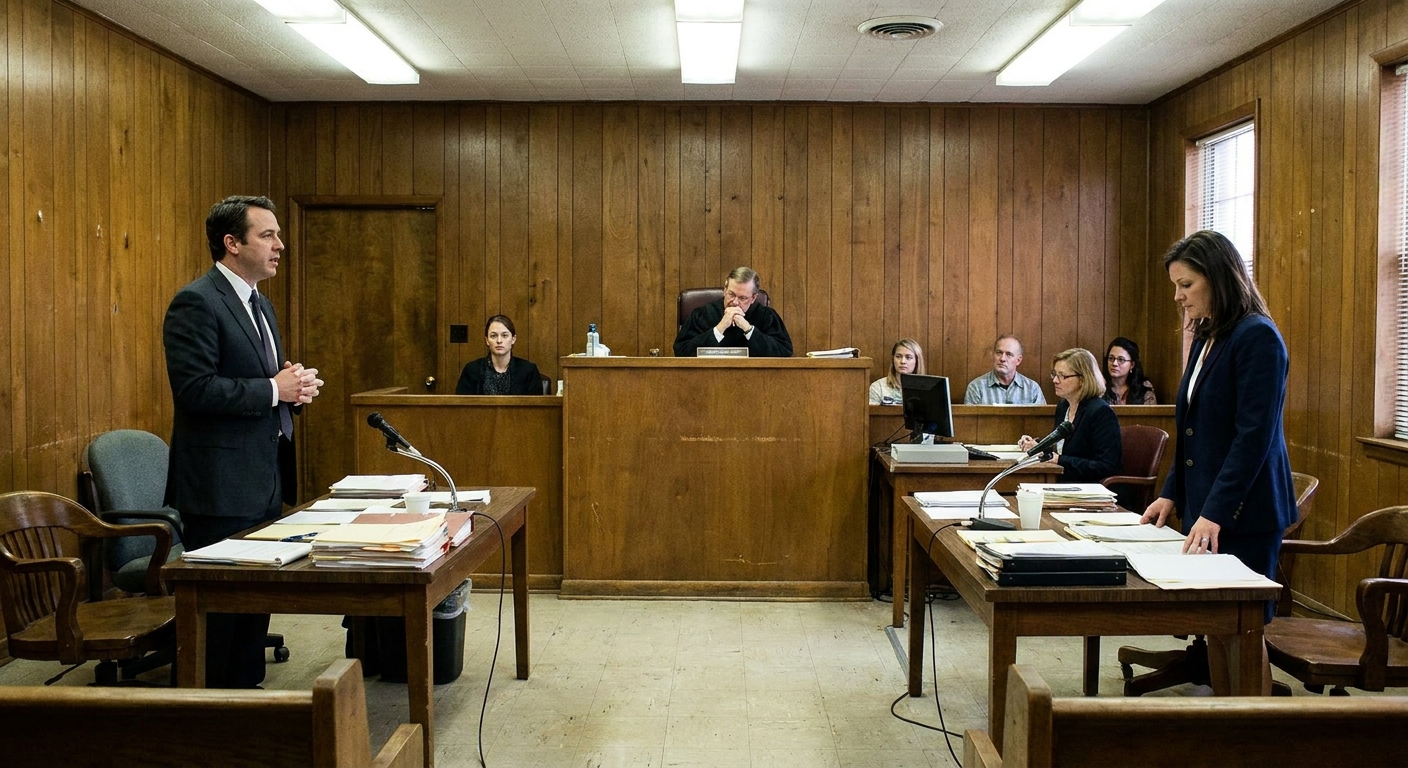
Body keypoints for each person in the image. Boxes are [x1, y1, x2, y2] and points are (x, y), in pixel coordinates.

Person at [164, 195, 322, 688]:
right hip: (219, 485)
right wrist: (276, 388)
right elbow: (194, 389)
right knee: (222, 612)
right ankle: (205, 717)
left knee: (254, 603)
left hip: (262, 477)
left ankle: (246, 697)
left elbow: (260, 381)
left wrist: (292, 391)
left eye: (277, 235)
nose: (280, 245)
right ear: (232, 244)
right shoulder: (197, 301)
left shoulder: (261, 304)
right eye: (267, 235)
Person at [1142, 230, 1295, 692]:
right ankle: (1225, 723)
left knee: (1243, 630)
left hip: (1243, 513)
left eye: (1186, 284)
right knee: (1215, 624)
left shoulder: (1258, 337)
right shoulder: (1209, 334)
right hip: (1209, 509)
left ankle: (1255, 736)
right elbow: (1192, 431)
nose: (1178, 296)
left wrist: (1214, 512)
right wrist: (1172, 493)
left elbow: (1253, 437)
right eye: (1176, 285)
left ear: (1220, 278)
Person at [1017, 348, 1121, 483]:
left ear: (1082, 379)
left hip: (1090, 489)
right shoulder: (1064, 406)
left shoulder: (1100, 412)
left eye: (1062, 376)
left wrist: (1059, 460)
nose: (1055, 380)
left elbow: (1107, 466)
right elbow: (1061, 447)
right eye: (1054, 374)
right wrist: (1036, 445)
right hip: (1064, 482)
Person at [673, 266, 793, 357]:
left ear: (753, 298)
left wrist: (748, 329)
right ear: (724, 290)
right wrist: (719, 329)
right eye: (731, 294)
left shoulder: (766, 316)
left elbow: (785, 352)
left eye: (742, 298)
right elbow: (681, 352)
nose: (735, 302)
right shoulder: (703, 314)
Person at [455, 315, 545, 395]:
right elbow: (462, 407)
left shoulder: (528, 370)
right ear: (487, 340)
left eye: (504, 335)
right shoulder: (472, 370)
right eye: (493, 336)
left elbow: (535, 409)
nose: (499, 341)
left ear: (513, 339)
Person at [964, 335, 1046, 404]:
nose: (1002, 359)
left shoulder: (1032, 388)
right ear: (993, 355)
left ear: (1018, 360)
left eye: (1009, 354)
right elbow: (971, 422)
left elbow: (1041, 422)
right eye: (999, 353)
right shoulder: (976, 387)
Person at [1102, 336, 1157, 405]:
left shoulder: (1143, 387)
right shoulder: (1099, 386)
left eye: (1121, 360)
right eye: (1111, 358)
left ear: (1132, 365)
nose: (1114, 363)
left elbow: (1150, 414)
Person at [869, 339, 925, 405]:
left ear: (917, 361)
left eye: (908, 357)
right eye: (898, 357)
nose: (903, 361)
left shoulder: (926, 389)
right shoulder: (878, 387)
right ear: (893, 359)